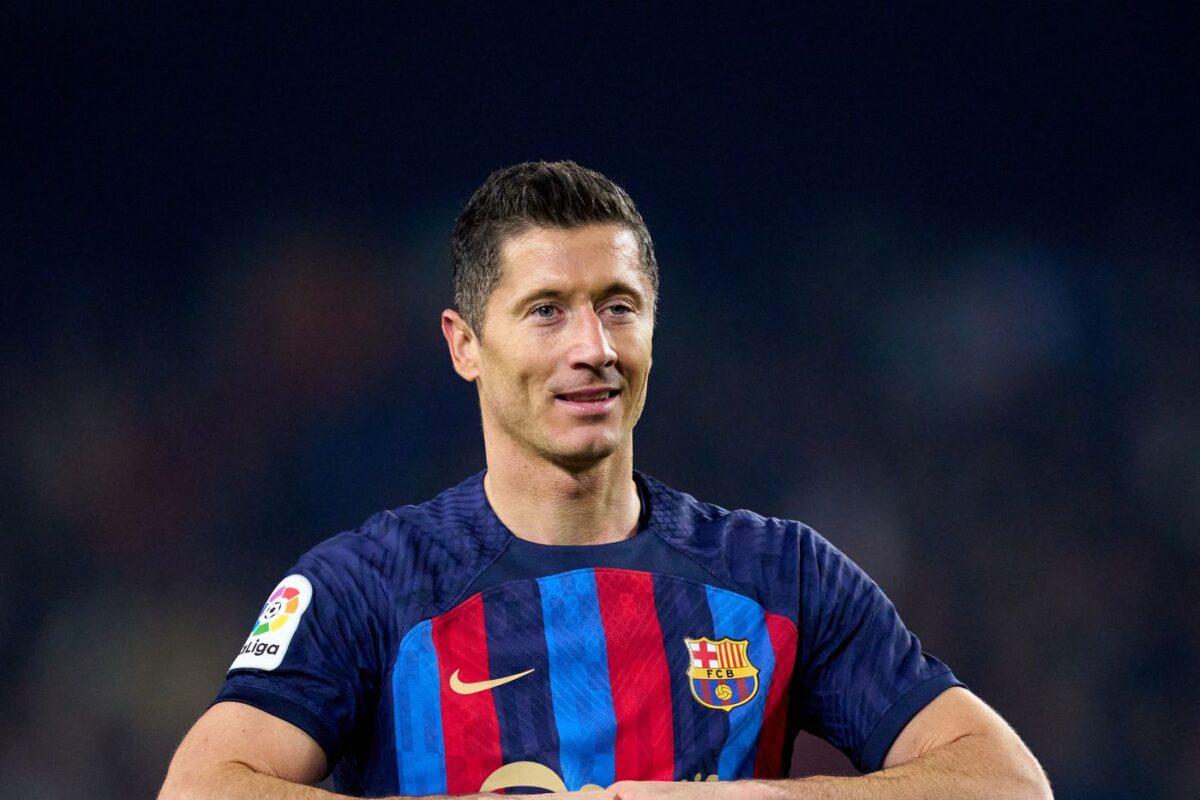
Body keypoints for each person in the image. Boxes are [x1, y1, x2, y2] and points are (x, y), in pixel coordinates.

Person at [159, 161, 1051, 799]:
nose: (592, 348)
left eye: (618, 307)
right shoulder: (369, 585)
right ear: (464, 345)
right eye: (546, 311)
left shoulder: (782, 575)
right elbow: (202, 786)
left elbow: (1007, 782)